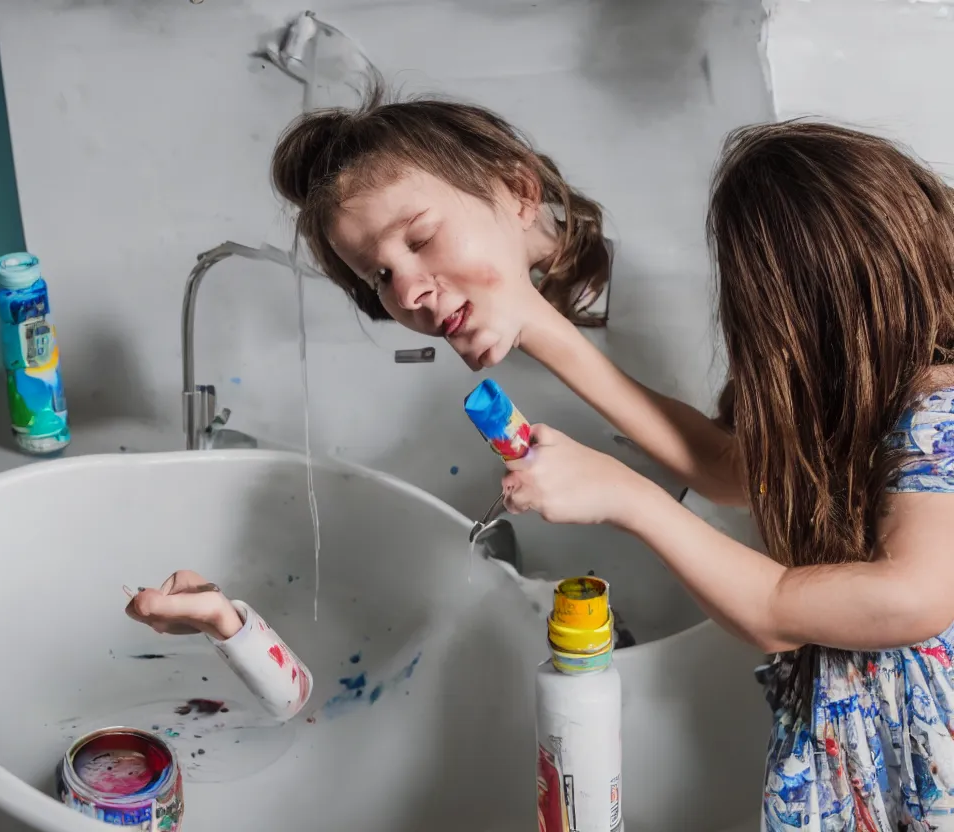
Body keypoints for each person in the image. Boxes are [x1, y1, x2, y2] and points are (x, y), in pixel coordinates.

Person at [127, 85, 954, 829]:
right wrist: (534, 320)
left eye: (419, 239)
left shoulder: (936, 408)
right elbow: (729, 468)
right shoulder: (871, 398)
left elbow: (884, 599)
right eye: (378, 275)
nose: (406, 289)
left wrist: (630, 497)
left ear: (520, 193)